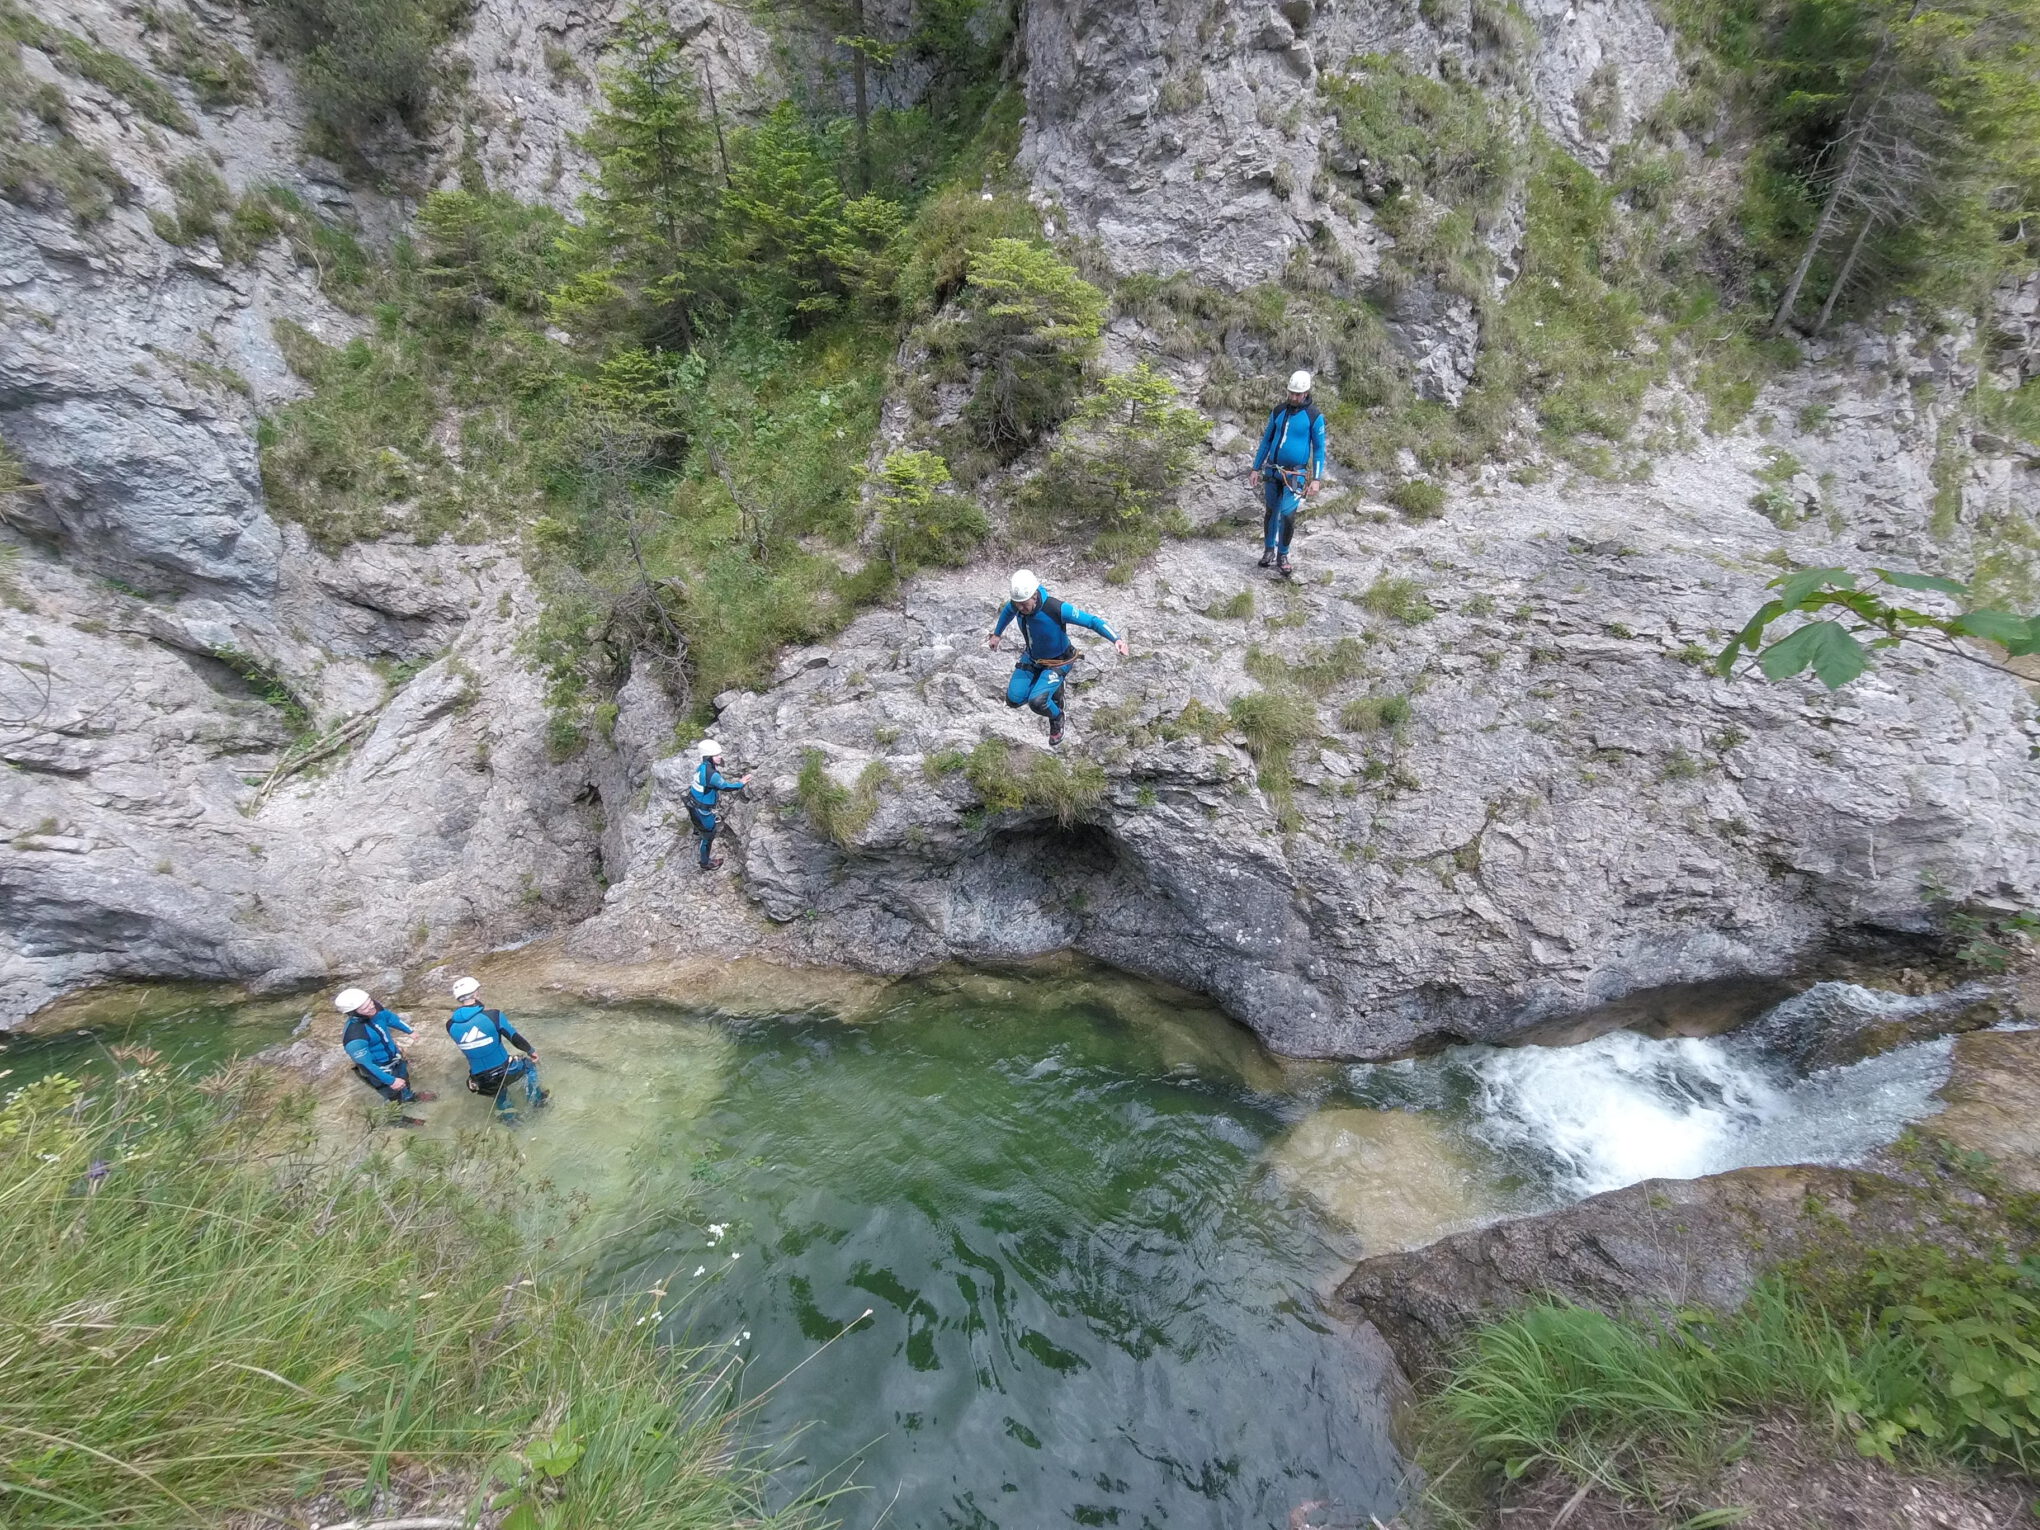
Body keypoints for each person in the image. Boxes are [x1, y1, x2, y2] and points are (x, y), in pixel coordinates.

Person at [986, 569, 1128, 748]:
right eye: (1017, 604)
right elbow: (1008, 612)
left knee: (1036, 702)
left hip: (1059, 660)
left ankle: (1057, 716)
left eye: (1023, 604)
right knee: (1013, 700)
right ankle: (1049, 689)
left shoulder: (1055, 608)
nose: (1020, 608)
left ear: (1035, 595)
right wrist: (997, 634)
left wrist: (1116, 639)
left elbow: (1092, 621)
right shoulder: (1017, 604)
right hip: (1033, 658)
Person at [1247, 369, 1328, 577]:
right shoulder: (1278, 411)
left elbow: (1319, 450)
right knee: (1270, 512)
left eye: (1297, 394)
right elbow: (1266, 441)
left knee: (1287, 515)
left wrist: (1316, 479)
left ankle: (1283, 555)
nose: (1293, 397)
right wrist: (1256, 467)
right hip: (1273, 470)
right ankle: (1268, 551)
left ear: (1306, 393)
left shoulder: (1314, 416)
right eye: (1290, 393)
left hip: (1295, 475)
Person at [445, 976, 548, 1117]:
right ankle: (537, 1101)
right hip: (506, 1070)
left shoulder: (450, 1025)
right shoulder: (494, 1015)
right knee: (529, 1066)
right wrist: (531, 1051)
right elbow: (514, 1038)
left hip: (480, 1080)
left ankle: (510, 1120)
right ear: (476, 994)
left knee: (498, 1092)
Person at [335, 987, 435, 1119]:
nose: (371, 1007)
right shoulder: (354, 1037)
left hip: (394, 1058)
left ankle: (408, 1097)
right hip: (380, 1068)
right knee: (392, 1094)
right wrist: (391, 1081)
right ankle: (394, 1118)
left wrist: (409, 1031)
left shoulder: (374, 1008)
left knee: (404, 1080)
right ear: (354, 1013)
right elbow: (367, 1066)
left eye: (370, 1001)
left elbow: (390, 1018)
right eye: (365, 1007)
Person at [687, 739, 750, 872]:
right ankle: (705, 863)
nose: (720, 757)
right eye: (716, 755)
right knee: (709, 835)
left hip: (694, 804)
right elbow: (725, 786)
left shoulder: (703, 767)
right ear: (709, 757)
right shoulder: (712, 774)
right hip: (703, 810)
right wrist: (740, 783)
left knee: (700, 824)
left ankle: (698, 830)